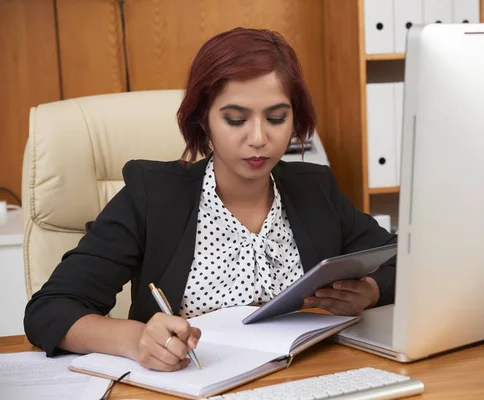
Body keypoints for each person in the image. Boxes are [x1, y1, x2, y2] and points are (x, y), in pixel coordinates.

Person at [23, 27, 396, 372]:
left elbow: (405, 259)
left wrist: (370, 291)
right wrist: (137, 340)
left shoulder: (313, 188)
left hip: (306, 380)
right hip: (193, 383)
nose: (258, 138)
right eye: (235, 120)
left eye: (277, 118)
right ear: (203, 120)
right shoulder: (154, 195)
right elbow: (50, 310)